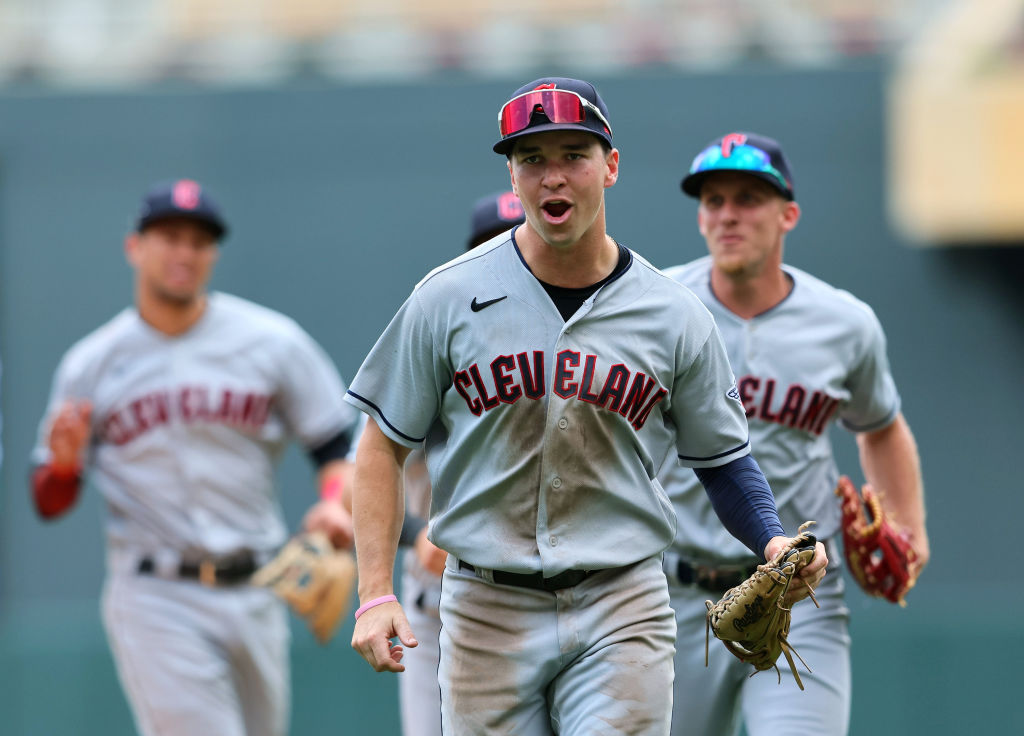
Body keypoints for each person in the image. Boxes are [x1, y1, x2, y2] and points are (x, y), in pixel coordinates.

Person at [345, 78, 826, 735]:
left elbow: (722, 459)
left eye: (573, 153)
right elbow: (380, 445)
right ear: (511, 176)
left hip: (620, 600)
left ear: (611, 165)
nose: (553, 177)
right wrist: (375, 592)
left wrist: (771, 538)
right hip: (487, 604)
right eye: (532, 159)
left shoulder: (671, 314)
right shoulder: (447, 298)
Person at [30, 179, 360, 736]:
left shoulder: (272, 341)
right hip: (156, 593)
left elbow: (335, 446)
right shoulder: (91, 362)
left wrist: (336, 504)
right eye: (170, 237)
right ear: (135, 247)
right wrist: (62, 468)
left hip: (259, 585)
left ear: (214, 254)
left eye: (199, 241)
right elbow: (49, 500)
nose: (185, 252)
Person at [659, 132, 929, 735]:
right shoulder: (659, 309)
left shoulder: (844, 323)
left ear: (788, 215)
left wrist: (911, 529)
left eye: (748, 198)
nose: (727, 214)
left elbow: (881, 427)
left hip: (800, 593)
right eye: (713, 199)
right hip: (673, 592)